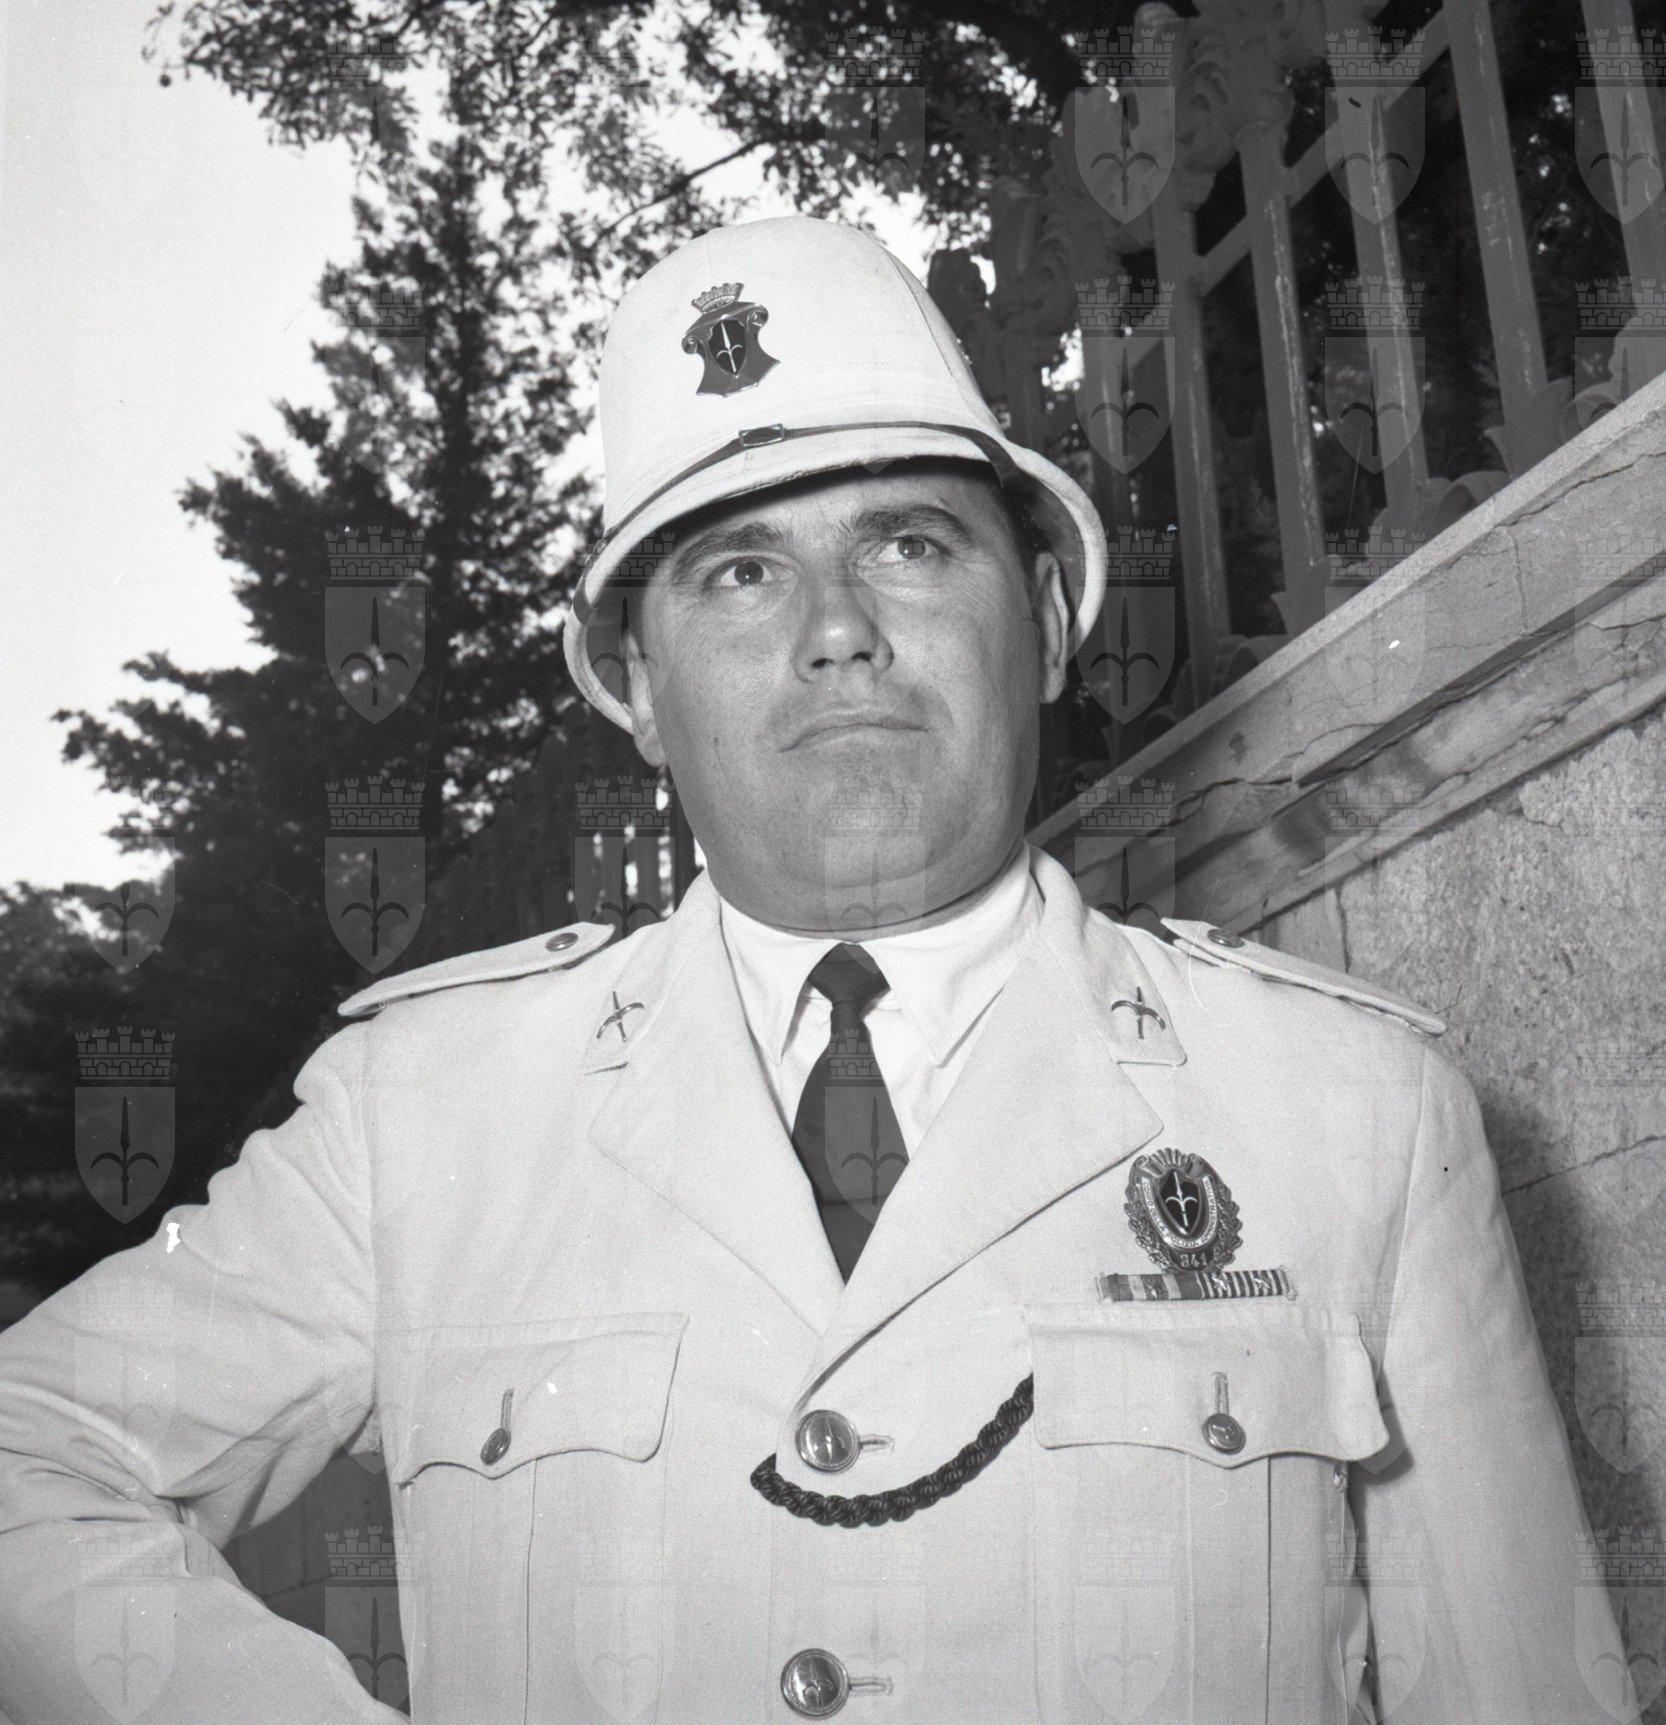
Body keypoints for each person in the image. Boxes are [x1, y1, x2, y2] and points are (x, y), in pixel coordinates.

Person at [0, 216, 1636, 1725]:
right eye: (738, 570)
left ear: (1045, 616)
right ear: (638, 689)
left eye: (909, 543)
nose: (836, 627)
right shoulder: (417, 1118)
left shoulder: (1354, 1111)